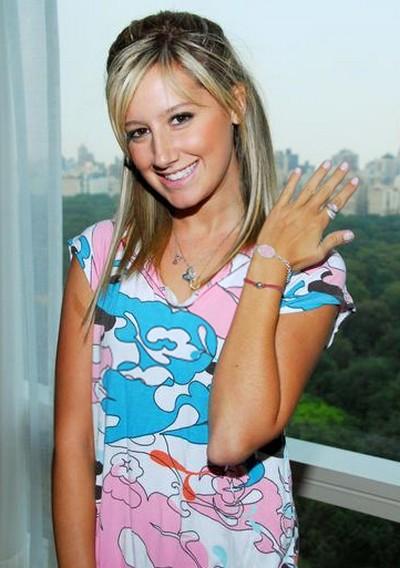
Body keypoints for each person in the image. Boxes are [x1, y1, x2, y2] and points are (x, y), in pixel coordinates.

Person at [52, 10, 357, 568]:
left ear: (236, 103)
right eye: (139, 132)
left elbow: (233, 438)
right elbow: (71, 445)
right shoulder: (99, 257)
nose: (161, 154)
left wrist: (268, 262)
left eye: (181, 117)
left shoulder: (307, 272)